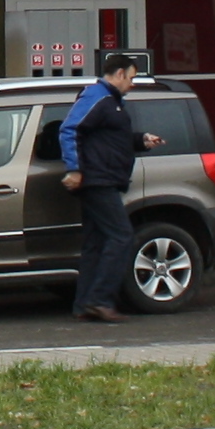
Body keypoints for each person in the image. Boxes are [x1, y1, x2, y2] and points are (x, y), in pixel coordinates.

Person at [57, 50, 162, 323]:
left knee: (96, 242)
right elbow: (70, 129)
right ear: (118, 74)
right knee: (121, 236)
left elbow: (110, 138)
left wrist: (141, 140)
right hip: (97, 181)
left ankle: (84, 304)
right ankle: (100, 299)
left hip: (103, 178)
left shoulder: (111, 102)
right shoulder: (98, 97)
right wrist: (74, 169)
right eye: (131, 78)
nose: (132, 84)